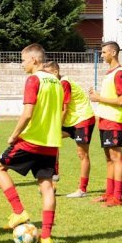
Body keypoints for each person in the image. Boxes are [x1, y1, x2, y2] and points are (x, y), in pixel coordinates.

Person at [0, 44, 64, 243]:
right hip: (51, 143)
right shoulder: (57, 82)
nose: (21, 64)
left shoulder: (34, 80)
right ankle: (47, 237)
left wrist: (14, 135)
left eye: (23, 59)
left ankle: (18, 211)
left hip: (31, 140)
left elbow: (28, 113)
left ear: (34, 60)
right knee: (47, 186)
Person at [42, 61, 94, 199]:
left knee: (82, 154)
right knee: (52, 140)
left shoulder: (64, 83)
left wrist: (56, 126)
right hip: (72, 120)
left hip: (83, 118)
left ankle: (82, 190)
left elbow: (64, 109)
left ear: (55, 72)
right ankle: (55, 174)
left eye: (48, 74)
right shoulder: (55, 84)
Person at [89, 41, 122, 207]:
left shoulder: (119, 73)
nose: (102, 54)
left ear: (113, 53)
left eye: (104, 52)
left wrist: (99, 98)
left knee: (116, 158)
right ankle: (109, 193)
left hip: (114, 121)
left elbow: (120, 101)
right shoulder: (110, 73)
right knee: (109, 159)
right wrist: (97, 96)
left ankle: (117, 197)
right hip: (105, 121)